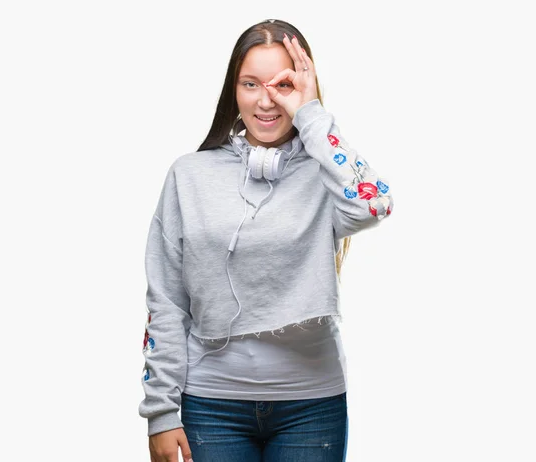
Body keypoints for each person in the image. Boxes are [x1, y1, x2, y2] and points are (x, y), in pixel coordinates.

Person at [138, 18, 393, 462]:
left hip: (312, 405)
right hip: (210, 404)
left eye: (283, 84)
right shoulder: (188, 175)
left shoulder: (325, 173)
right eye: (251, 83)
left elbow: (373, 205)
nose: (266, 100)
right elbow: (166, 300)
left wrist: (311, 115)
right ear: (232, 90)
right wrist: (161, 412)